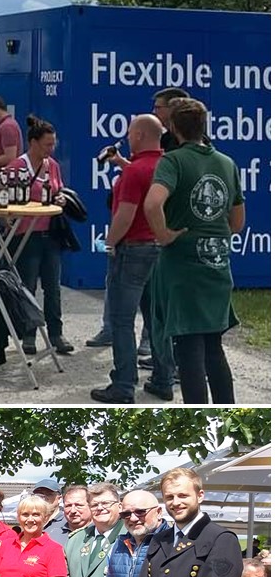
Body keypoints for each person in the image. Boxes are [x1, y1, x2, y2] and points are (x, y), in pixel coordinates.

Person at [144, 97, 246, 405]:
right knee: (213, 346)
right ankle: (225, 411)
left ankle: (197, 414)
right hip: (216, 264)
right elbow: (237, 222)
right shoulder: (227, 163)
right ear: (204, 126)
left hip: (183, 267)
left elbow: (152, 203)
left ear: (173, 127)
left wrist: (164, 234)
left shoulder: (172, 161)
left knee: (187, 347)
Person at [91, 115, 176, 403]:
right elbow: (147, 178)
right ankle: (164, 378)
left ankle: (124, 385)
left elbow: (125, 215)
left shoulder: (133, 172)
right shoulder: (168, 166)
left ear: (139, 135)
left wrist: (110, 243)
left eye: (129, 133)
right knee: (157, 319)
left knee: (122, 319)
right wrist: (123, 164)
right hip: (160, 249)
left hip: (132, 250)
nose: (126, 138)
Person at [6, 116, 73, 356]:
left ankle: (56, 333)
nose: (51, 149)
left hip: (51, 234)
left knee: (53, 287)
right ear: (32, 142)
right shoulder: (16, 167)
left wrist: (61, 198)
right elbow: (7, 201)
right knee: (28, 286)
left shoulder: (52, 165)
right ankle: (29, 333)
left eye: (53, 144)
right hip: (27, 234)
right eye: (47, 144)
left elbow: (59, 188)